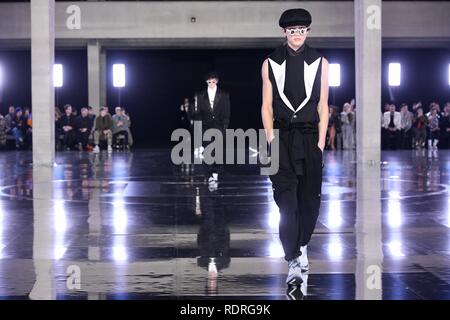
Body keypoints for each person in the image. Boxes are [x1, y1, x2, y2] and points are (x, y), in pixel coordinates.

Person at [261, 8, 329, 286]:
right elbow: (266, 105)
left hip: (310, 139)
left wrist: (321, 143)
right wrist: (271, 138)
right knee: (286, 204)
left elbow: (324, 105)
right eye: (292, 30)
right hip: (282, 138)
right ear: (284, 32)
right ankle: (293, 257)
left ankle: (300, 247)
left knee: (309, 203)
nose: (297, 35)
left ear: (308, 31)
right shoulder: (269, 62)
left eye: (301, 30)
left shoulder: (321, 62)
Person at [196, 71, 231, 184]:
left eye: (213, 81)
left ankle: (215, 172)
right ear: (206, 82)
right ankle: (210, 173)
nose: (211, 83)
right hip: (205, 127)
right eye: (209, 82)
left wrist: (224, 127)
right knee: (207, 151)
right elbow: (199, 113)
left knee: (218, 151)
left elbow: (227, 112)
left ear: (217, 81)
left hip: (219, 127)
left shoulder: (224, 95)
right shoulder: (200, 96)